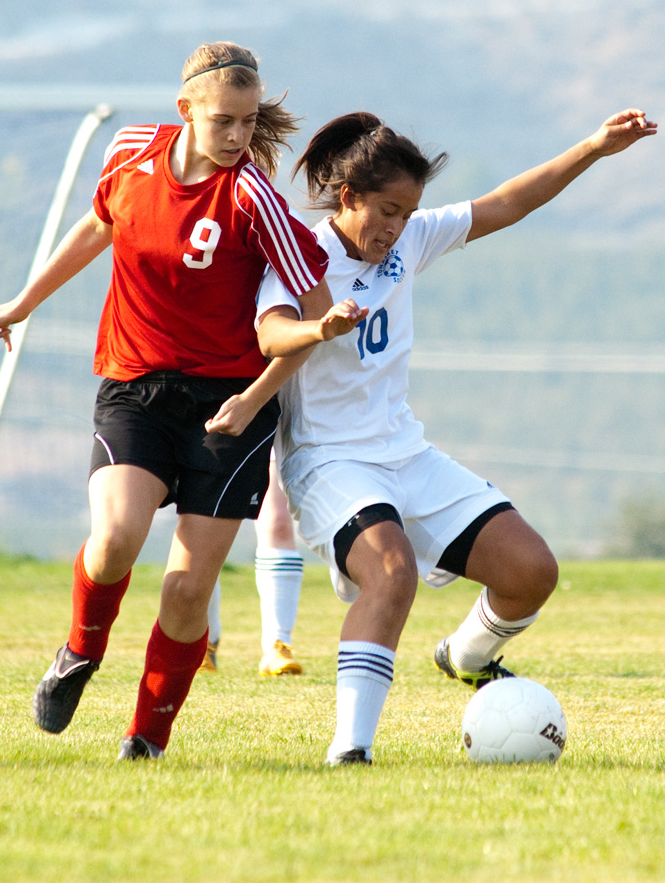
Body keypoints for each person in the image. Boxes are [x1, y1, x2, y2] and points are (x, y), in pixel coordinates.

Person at [0, 41, 365, 761]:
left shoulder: (253, 199)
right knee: (113, 542)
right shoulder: (129, 152)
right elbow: (100, 226)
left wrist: (255, 398)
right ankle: (79, 651)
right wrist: (22, 303)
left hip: (231, 407)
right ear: (185, 109)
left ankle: (146, 741)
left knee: (188, 590)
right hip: (137, 386)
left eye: (249, 121)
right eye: (224, 121)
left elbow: (312, 324)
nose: (239, 136)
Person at [252, 107, 657, 765]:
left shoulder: (409, 241)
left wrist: (592, 147)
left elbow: (507, 202)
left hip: (406, 454)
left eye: (408, 213)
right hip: (327, 463)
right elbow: (270, 333)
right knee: (391, 573)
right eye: (387, 211)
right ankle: (350, 751)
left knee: (532, 572)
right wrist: (318, 328)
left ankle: (465, 657)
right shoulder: (300, 255)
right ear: (348, 197)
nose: (397, 227)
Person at [198, 459, 306, 676]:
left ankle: (278, 645)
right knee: (203, 527)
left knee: (279, 524)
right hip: (212, 440)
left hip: (267, 438)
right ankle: (203, 643)